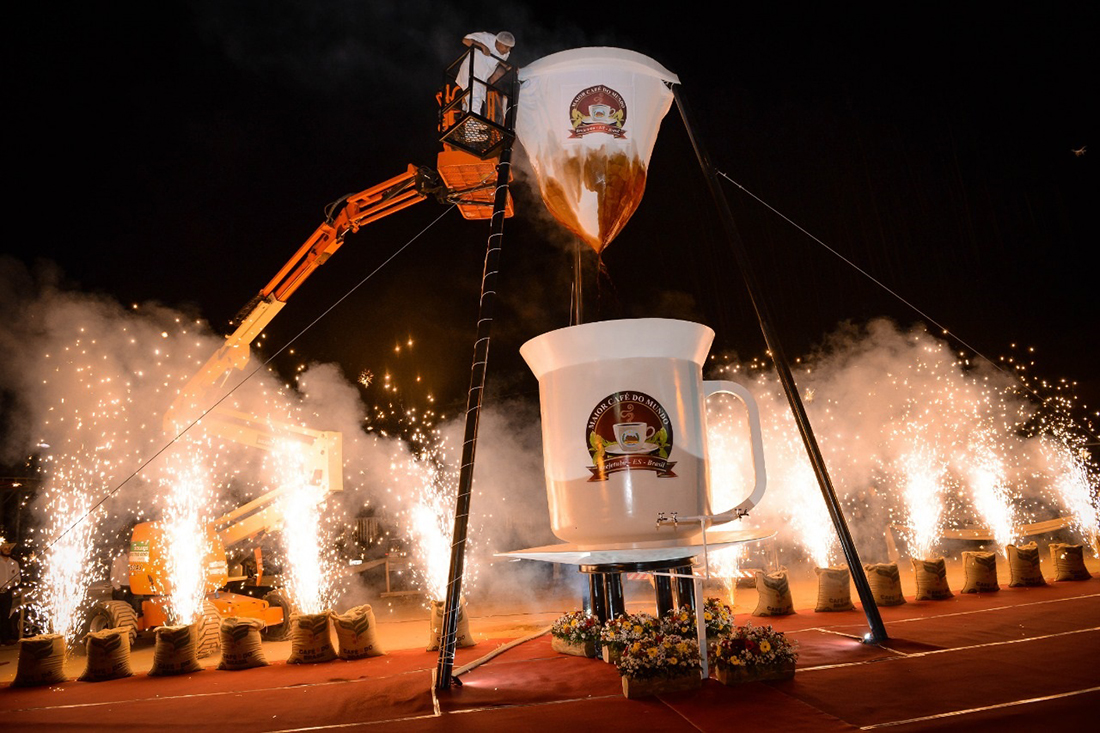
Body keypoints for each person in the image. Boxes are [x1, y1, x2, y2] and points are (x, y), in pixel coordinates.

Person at [458, 31, 515, 118]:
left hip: (482, 79)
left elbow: (499, 61)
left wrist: (509, 67)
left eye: (510, 48)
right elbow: (465, 40)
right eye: (506, 47)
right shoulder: (487, 38)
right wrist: (481, 46)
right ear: (499, 42)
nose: (508, 50)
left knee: (478, 99)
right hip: (472, 72)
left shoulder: (505, 53)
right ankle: (473, 123)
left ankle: (468, 116)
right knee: (474, 98)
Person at [0, 540, 21, 644]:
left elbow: (17, 578)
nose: (7, 550)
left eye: (9, 549)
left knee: (5, 615)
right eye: (5, 549)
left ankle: (5, 639)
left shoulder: (14, 563)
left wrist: (15, 582)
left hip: (7, 592)